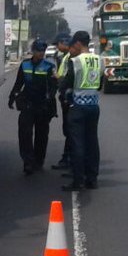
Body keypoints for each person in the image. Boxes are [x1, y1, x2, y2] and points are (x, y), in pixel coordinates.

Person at [58, 30, 101, 191]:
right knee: (92, 142)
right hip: (94, 106)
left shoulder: (75, 61)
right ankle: (92, 178)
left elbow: (66, 83)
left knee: (78, 144)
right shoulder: (99, 60)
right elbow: (100, 84)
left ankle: (78, 181)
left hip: (78, 106)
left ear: (77, 43)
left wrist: (62, 91)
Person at [7, 39, 57, 175]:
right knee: (25, 134)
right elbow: (18, 84)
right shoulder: (25, 65)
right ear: (33, 51)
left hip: (42, 106)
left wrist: (50, 101)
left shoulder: (48, 66)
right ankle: (28, 162)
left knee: (41, 135)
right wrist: (12, 97)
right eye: (38, 51)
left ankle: (38, 161)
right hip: (27, 104)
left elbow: (53, 88)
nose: (41, 53)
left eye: (43, 51)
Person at [50, 33, 73, 170]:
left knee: (70, 130)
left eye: (58, 44)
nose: (57, 47)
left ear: (64, 43)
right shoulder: (64, 57)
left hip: (69, 98)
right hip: (76, 99)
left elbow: (63, 78)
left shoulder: (68, 58)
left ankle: (69, 159)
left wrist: (55, 76)